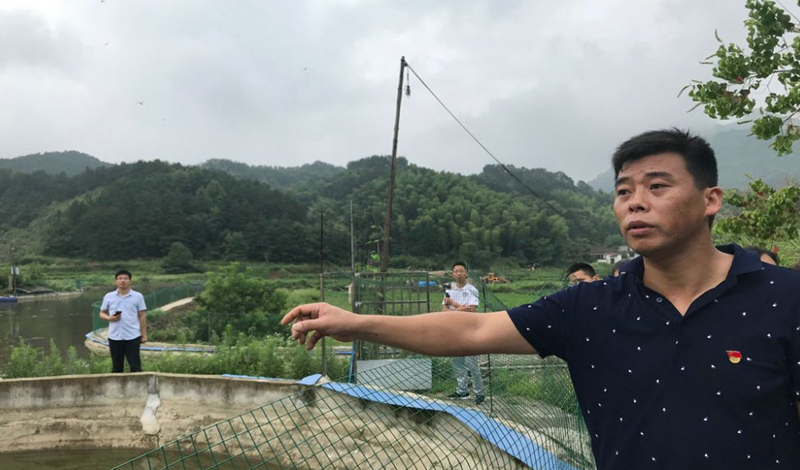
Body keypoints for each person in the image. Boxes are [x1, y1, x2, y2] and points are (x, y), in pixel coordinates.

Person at [282, 129, 800, 469]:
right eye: (623, 191)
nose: (635, 202)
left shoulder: (785, 297)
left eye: (657, 186)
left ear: (711, 199)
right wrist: (354, 322)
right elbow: (474, 328)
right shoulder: (590, 306)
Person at [442, 261, 484, 405]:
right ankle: (462, 391)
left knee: (472, 363)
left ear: (466, 273)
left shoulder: (472, 289)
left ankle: (479, 392)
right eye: (456, 271)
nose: (459, 273)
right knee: (457, 362)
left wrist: (453, 305)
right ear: (453, 274)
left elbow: (471, 310)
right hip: (453, 330)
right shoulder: (448, 288)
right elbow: (444, 311)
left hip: (468, 330)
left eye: (461, 270)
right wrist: (460, 308)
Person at [99, 269, 147, 373]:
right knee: (117, 367)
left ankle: (136, 383)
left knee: (135, 367)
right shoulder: (109, 296)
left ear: (130, 281)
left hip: (133, 336)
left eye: (125, 278)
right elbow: (102, 313)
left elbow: (142, 316)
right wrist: (109, 318)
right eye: (120, 278)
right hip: (114, 336)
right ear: (115, 281)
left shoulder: (138, 296)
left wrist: (143, 335)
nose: (123, 281)